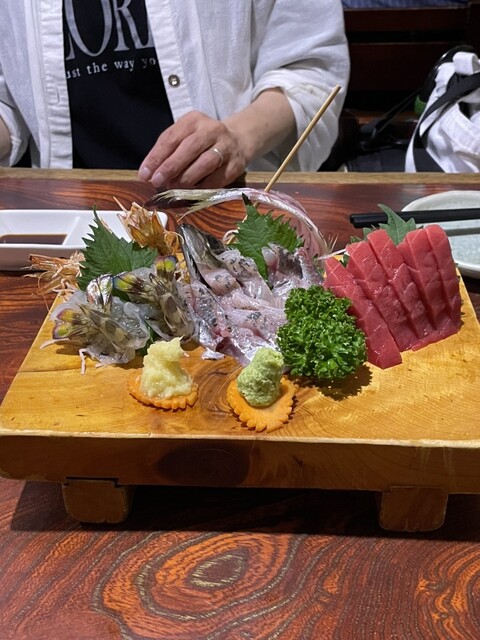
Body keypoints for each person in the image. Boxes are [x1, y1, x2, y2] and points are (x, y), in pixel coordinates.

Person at [0, 1, 349, 188]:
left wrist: (236, 139)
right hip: (64, 217)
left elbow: (310, 69)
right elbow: (11, 98)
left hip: (228, 202)